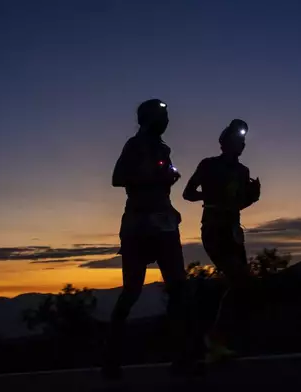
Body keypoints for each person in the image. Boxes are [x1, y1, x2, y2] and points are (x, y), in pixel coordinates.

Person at [102, 99, 198, 378]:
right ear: (148, 118)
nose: (167, 120)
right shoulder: (134, 145)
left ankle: (184, 357)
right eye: (163, 115)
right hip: (139, 226)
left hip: (164, 224)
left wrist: (168, 178)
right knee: (132, 290)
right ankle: (111, 358)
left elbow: (163, 179)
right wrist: (152, 175)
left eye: (167, 115)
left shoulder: (163, 149)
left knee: (179, 289)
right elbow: (117, 178)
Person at [183, 119, 261, 363]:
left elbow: (238, 204)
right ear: (225, 143)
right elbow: (187, 193)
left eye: (244, 142)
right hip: (214, 228)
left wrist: (252, 198)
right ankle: (212, 339)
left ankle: (218, 340)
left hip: (234, 229)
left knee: (243, 284)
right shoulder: (208, 165)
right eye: (238, 141)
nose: (243, 145)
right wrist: (209, 194)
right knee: (238, 278)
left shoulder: (243, 172)